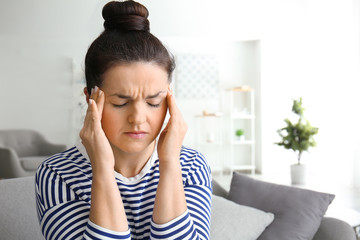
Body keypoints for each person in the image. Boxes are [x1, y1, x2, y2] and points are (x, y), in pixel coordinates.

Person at [35, 1, 212, 239]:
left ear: (169, 100)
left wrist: (170, 164)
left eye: (153, 102)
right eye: (120, 102)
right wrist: (102, 170)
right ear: (90, 99)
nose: (138, 118)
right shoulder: (58, 174)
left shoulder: (192, 166)